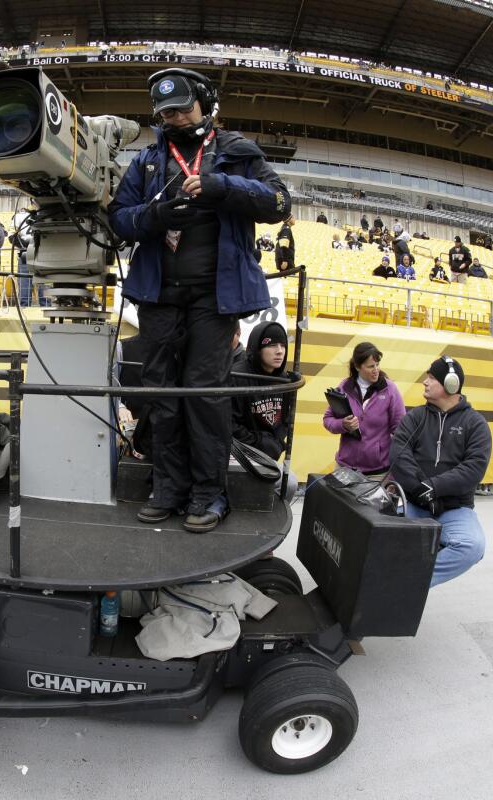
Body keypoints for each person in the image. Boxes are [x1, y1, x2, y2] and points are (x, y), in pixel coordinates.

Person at [109, 67, 291, 533]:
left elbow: (280, 203)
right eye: (165, 113)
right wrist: (154, 215)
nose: (173, 118)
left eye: (182, 109)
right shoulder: (147, 160)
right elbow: (118, 220)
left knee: (206, 397)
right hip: (158, 299)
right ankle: (168, 487)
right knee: (162, 397)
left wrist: (222, 188)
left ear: (206, 104)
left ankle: (210, 495)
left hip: (215, 300)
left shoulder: (236, 151)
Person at [389, 357, 492, 587]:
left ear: (451, 384)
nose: (425, 382)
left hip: (455, 509)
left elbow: (473, 468)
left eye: (431, 378)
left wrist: (435, 488)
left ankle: (408, 583)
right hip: (413, 503)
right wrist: (420, 490)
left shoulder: (476, 424)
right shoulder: (415, 417)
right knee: (375, 531)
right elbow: (398, 456)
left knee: (472, 546)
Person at [322, 341, 406, 476]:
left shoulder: (390, 389)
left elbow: (400, 429)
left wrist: (397, 470)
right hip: (345, 468)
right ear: (357, 366)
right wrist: (343, 424)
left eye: (377, 365)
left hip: (379, 472)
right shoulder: (344, 386)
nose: (376, 370)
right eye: (371, 366)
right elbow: (328, 420)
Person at [231, 321, 292, 459]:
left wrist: (276, 442)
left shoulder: (285, 380)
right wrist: (260, 442)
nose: (279, 351)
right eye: (272, 345)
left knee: (291, 481)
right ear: (257, 348)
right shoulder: (237, 376)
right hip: (239, 453)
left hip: (270, 455)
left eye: (283, 345)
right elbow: (229, 423)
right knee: (291, 482)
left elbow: (287, 419)